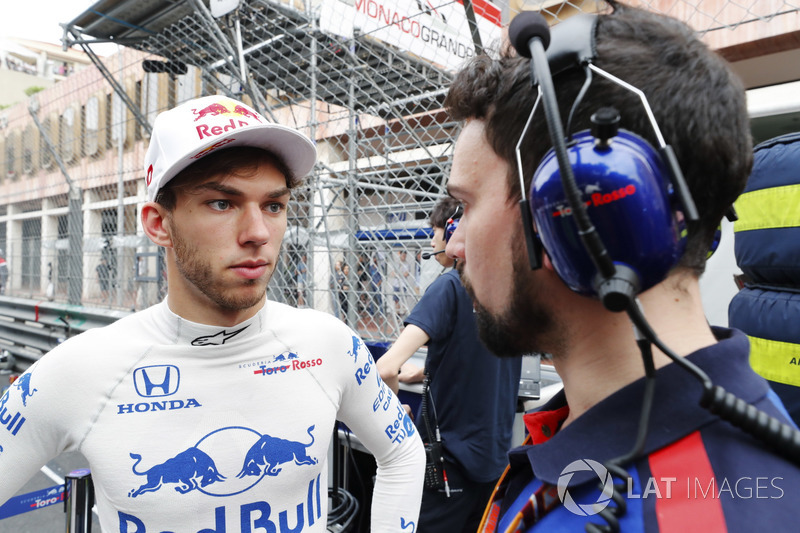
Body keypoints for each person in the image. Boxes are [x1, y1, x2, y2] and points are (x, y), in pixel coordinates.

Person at [443, 2, 800, 531]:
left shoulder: (710, 516)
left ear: (575, 211)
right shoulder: (573, 424)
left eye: (464, 206)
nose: (454, 247)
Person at [0, 95, 424, 532]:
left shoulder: (328, 343)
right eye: (223, 203)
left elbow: (403, 452)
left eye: (273, 206)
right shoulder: (80, 370)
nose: (258, 233)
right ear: (158, 223)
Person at [377, 196, 522, 533]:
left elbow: (386, 368)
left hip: (447, 466)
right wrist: (427, 371)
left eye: (436, 231)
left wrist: (398, 421)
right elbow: (479, 358)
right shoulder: (508, 288)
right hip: (495, 463)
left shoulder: (448, 287)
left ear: (456, 230)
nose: (432, 241)